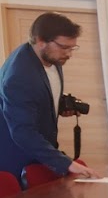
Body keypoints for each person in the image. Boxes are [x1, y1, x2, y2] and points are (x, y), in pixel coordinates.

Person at [0, 11, 97, 181]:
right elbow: (23, 132)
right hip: (19, 161)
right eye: (64, 47)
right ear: (41, 41)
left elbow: (36, 99)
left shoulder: (52, 59)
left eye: (72, 48)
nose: (69, 54)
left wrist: (57, 108)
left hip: (41, 156)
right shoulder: (19, 76)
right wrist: (67, 163)